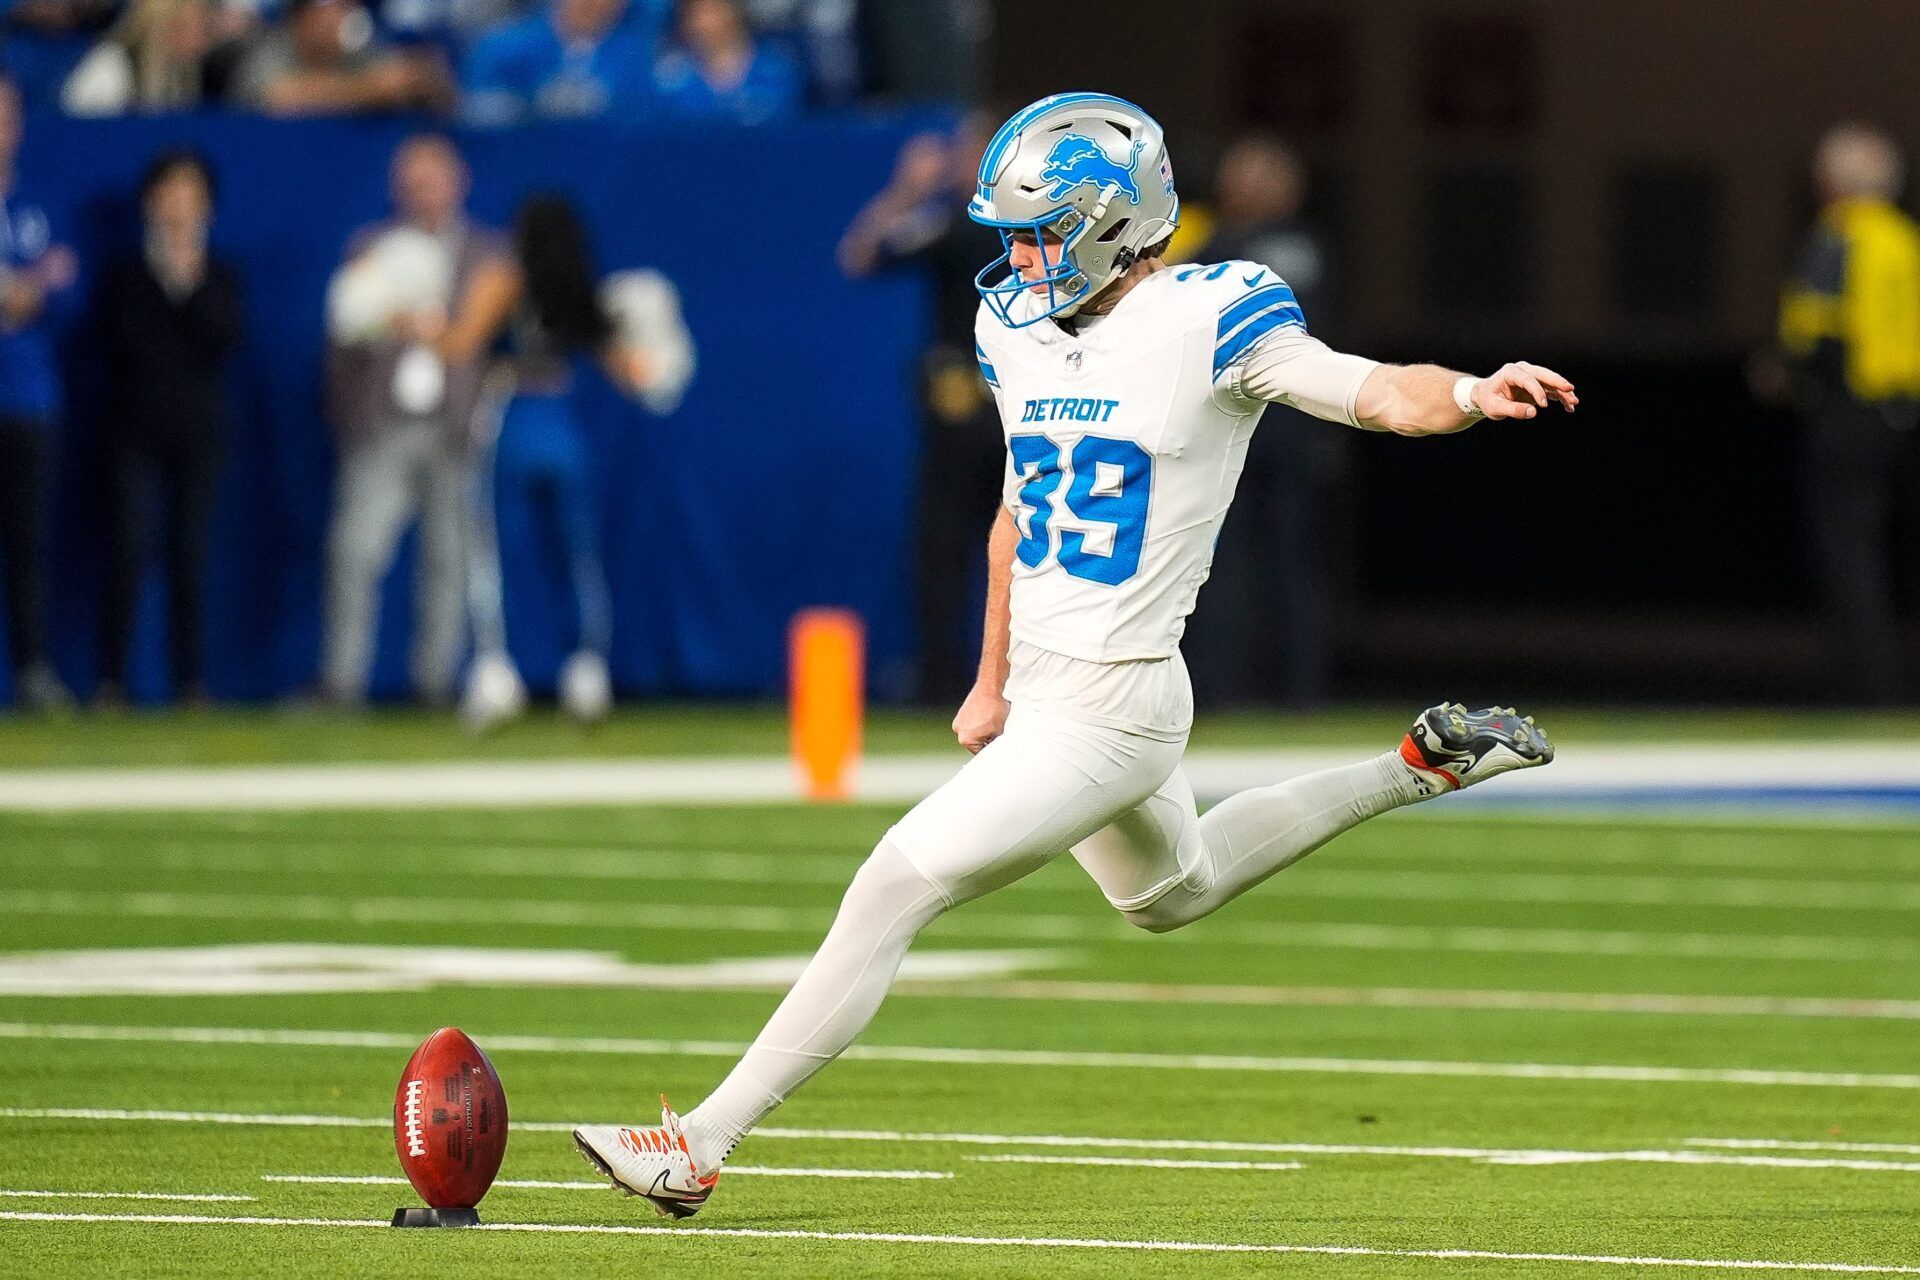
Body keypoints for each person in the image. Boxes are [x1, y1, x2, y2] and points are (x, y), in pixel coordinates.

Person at [570, 92, 1574, 1217]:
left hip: (1114, 701)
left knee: (892, 884)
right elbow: (1016, 508)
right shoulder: (1011, 322)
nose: (1019, 254)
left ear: (1115, 220)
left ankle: (697, 1143)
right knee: (1170, 894)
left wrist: (1472, 395)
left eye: (1042, 230)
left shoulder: (1216, 314)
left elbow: (1373, 389)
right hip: (1062, 688)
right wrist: (991, 674)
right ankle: (1417, 764)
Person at [440, 193, 693, 730]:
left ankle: (495, 670)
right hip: (565, 427)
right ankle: (586, 672)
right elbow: (632, 374)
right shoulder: (582, 290)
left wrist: (415, 324)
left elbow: (462, 343)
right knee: (578, 557)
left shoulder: (505, 277)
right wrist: (660, 358)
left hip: (509, 420)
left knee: (493, 554)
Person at [319, 134, 510, 707]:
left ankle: (434, 685)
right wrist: (351, 416)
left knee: (449, 561)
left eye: (432, 181)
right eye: (411, 183)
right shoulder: (372, 247)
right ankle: (341, 682)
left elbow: (490, 343)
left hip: (454, 427)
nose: (422, 193)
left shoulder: (487, 253)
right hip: (387, 423)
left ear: (459, 183)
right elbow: (342, 338)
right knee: (355, 551)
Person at [838, 116, 1008, 704]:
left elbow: (861, 252)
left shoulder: (963, 224)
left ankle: (962, 680)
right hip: (997, 406)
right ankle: (960, 677)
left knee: (963, 544)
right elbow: (864, 258)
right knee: (973, 546)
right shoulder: (1020, 228)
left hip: (983, 406)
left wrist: (907, 189)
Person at [1186, 133, 1343, 707]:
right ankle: (1215, 688)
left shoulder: (1297, 246)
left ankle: (1300, 693)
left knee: (1289, 566)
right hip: (1226, 426)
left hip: (1287, 429)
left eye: (1263, 176)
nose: (1250, 188)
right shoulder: (1207, 237)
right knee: (1211, 564)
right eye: (1242, 175)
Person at [94, 149, 243, 708]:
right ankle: (111, 682)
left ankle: (190, 684)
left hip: (198, 432)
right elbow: (125, 345)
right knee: (129, 550)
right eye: (170, 194)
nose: (180, 207)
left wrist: (188, 280)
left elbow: (223, 339)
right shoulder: (125, 274)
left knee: (190, 555)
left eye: (191, 195)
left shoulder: (221, 275)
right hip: (133, 430)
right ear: (150, 202)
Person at [1776, 122, 1920, 704]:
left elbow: (1813, 326)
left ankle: (1867, 685)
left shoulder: (1839, 234)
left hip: (1849, 409)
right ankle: (1882, 679)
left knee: (1848, 548)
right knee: (1888, 547)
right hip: (1904, 410)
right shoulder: (1905, 238)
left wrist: (1786, 371)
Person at [0, 80, 80, 712]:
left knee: (29, 542)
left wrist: (35, 292)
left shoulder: (38, 205)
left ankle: (31, 668)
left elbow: (66, 290)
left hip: (29, 398)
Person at [228, 0, 452, 116]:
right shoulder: (271, 50)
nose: (333, 19)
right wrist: (370, 89)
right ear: (299, 19)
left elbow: (402, 78)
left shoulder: (355, 55)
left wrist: (420, 79)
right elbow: (277, 98)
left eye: (340, 9)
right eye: (323, 11)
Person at [460, 0, 663, 126]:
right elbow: (475, 111)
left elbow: (648, 115)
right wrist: (529, 105)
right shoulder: (504, 47)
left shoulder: (635, 56)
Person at [650, 0, 800, 125]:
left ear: (734, 11)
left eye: (712, 11)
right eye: (694, 14)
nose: (701, 23)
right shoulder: (669, 81)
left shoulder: (778, 72)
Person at [60, 0, 218, 113]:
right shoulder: (111, 66)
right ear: (163, 26)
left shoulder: (178, 77)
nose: (202, 39)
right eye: (193, 26)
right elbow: (79, 133)